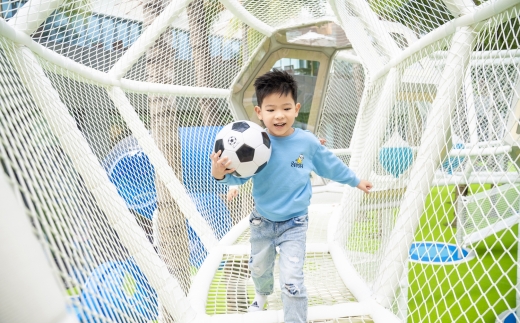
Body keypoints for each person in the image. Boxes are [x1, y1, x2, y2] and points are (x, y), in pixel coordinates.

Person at [210, 70, 372, 323]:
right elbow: (238, 176)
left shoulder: (307, 143)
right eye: (271, 109)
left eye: (286, 108)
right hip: (262, 222)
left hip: (294, 225)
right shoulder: (254, 142)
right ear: (259, 112)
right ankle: (262, 294)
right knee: (259, 268)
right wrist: (219, 172)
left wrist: (355, 180)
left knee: (292, 280)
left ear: (296, 109)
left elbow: (330, 165)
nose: (279, 115)